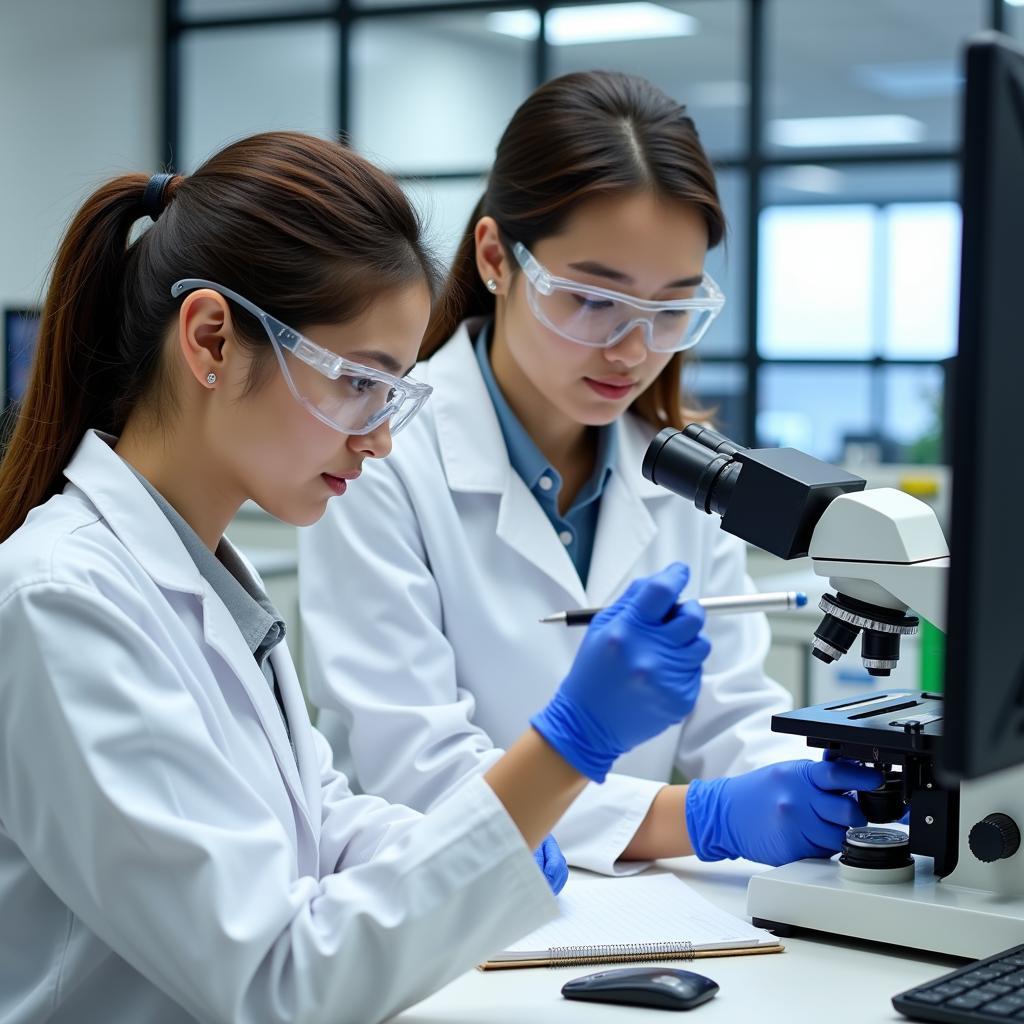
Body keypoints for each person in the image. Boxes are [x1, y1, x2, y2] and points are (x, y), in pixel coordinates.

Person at [0, 132, 752, 1024]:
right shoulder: (62, 601)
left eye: (392, 394)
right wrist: (566, 751)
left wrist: (495, 849)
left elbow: (323, 826)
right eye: (360, 382)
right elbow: (279, 981)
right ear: (210, 339)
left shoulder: (201, 577)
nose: (380, 437)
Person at [299, 72, 881, 876]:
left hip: (630, 924)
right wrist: (703, 819)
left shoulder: (689, 476)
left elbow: (734, 713)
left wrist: (819, 789)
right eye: (593, 300)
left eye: (672, 308)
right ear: (497, 258)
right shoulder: (377, 459)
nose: (633, 351)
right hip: (425, 925)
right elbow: (422, 772)